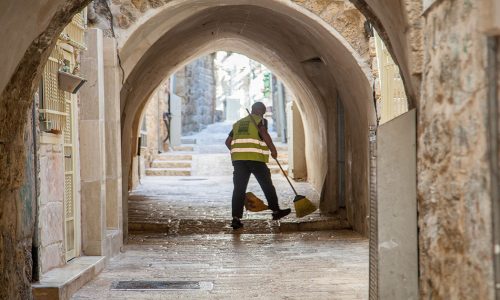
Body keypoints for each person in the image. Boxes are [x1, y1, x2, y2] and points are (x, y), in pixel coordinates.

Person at [225, 102, 291, 229]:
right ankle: (276, 211)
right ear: (261, 111)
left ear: (252, 109)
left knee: (239, 189)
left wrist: (237, 151)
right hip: (256, 159)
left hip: (239, 161)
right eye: (263, 112)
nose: (263, 114)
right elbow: (264, 134)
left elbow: (228, 142)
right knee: (267, 185)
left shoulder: (238, 123)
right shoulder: (260, 120)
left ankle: (235, 219)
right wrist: (273, 149)